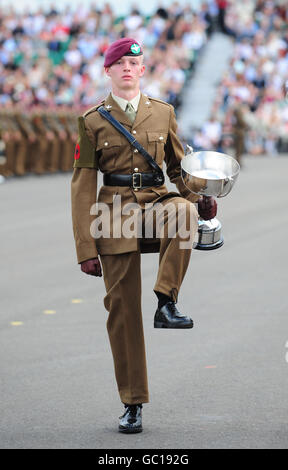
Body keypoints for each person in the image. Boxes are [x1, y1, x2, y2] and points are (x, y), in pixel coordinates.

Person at [71, 38, 217, 434]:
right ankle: (132, 402)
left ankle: (166, 301)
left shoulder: (163, 112)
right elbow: (82, 184)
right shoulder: (92, 120)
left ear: (142, 70)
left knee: (182, 211)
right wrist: (85, 247)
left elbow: (177, 167)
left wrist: (198, 197)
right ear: (108, 71)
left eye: (134, 63)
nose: (128, 69)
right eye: (120, 64)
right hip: (113, 214)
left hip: (156, 203)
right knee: (122, 312)